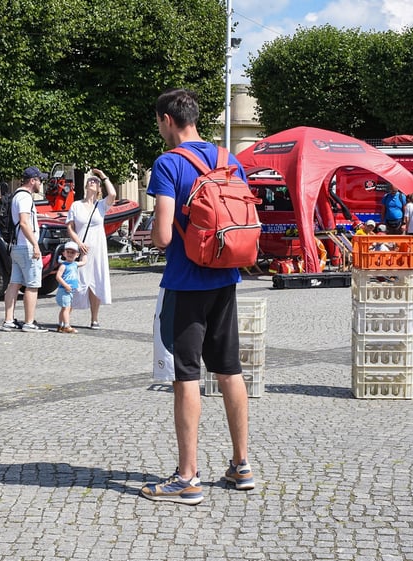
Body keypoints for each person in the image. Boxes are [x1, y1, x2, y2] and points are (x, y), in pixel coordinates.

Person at [140, 88, 254, 506]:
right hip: (227, 277)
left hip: (187, 283)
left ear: (167, 120)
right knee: (230, 369)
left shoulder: (168, 164)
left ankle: (187, 477)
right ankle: (241, 466)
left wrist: (154, 233)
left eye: (158, 122)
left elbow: (165, 235)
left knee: (186, 375)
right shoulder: (230, 160)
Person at [65, 170, 116, 328]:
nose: (92, 182)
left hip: (98, 250)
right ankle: (65, 318)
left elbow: (113, 194)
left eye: (95, 182)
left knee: (96, 281)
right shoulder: (76, 205)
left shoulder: (101, 206)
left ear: (99, 189)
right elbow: (70, 227)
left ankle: (94, 319)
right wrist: (78, 243)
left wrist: (103, 176)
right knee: (76, 281)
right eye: (90, 181)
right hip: (82, 249)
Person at [2, 166, 48, 333]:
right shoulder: (25, 197)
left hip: (16, 246)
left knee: (14, 283)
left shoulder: (16, 196)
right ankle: (29, 322)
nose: (41, 183)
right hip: (26, 246)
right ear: (32, 180)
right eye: (39, 180)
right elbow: (23, 222)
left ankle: (8, 320)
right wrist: (35, 244)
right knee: (32, 284)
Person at [55, 241, 87, 333]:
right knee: (66, 308)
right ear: (64, 253)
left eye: (72, 252)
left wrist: (84, 252)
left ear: (77, 255)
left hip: (71, 290)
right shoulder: (64, 265)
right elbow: (58, 277)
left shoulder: (75, 264)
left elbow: (84, 262)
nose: (70, 254)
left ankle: (61, 325)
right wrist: (65, 285)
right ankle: (66, 326)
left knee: (66, 308)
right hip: (64, 290)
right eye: (68, 252)